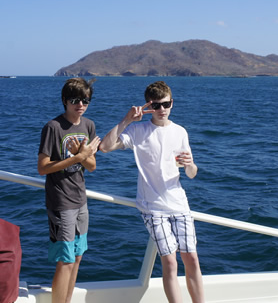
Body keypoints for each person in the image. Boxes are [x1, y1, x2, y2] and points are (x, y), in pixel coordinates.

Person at [99, 80, 205, 303]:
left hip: (179, 204)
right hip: (152, 207)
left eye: (165, 104)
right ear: (148, 107)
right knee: (170, 262)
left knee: (192, 259)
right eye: (155, 106)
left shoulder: (180, 132)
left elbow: (192, 174)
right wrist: (127, 119)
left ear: (172, 103)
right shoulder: (138, 131)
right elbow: (105, 147)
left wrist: (189, 165)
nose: (161, 110)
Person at [37, 77, 101, 303]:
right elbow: (42, 168)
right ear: (64, 101)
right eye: (75, 100)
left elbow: (91, 166)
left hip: (80, 201)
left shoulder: (88, 125)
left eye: (85, 100)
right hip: (61, 201)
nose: (80, 105)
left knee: (77, 256)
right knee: (65, 261)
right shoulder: (53, 127)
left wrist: (83, 157)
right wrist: (78, 157)